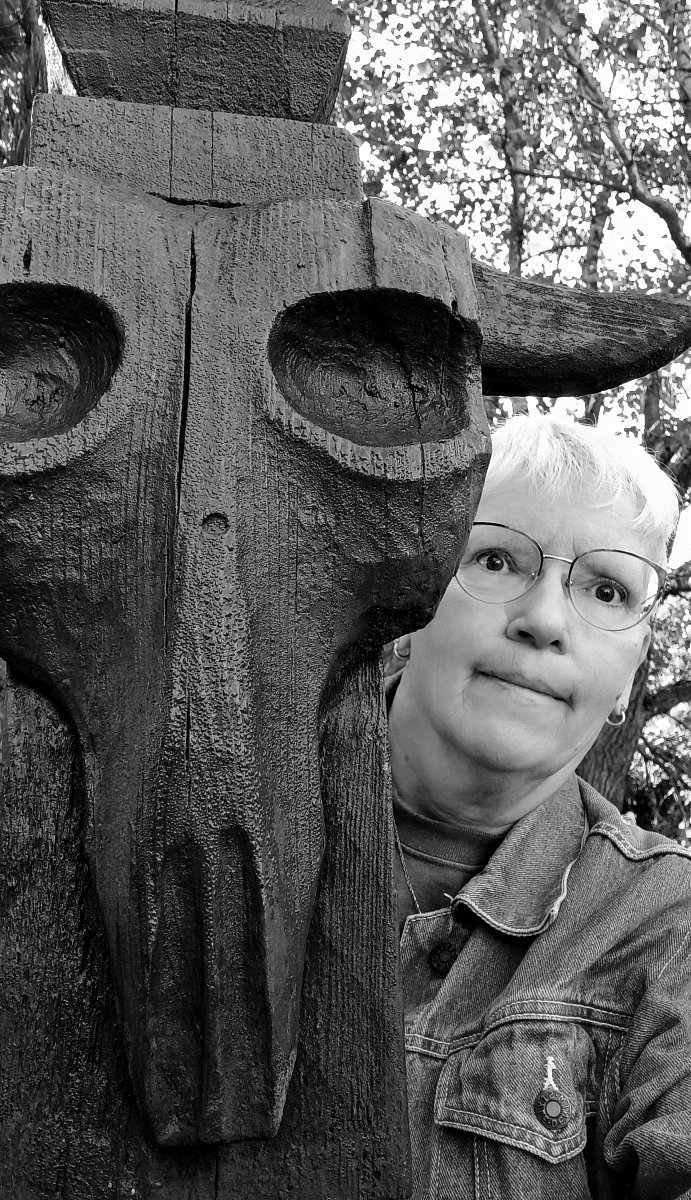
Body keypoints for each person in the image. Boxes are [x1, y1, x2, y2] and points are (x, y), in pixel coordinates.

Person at [384, 414, 691, 1200]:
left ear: (629, 674)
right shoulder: (204, 817)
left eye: (606, 589)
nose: (545, 621)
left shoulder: (668, 922)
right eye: (495, 559)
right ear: (408, 599)